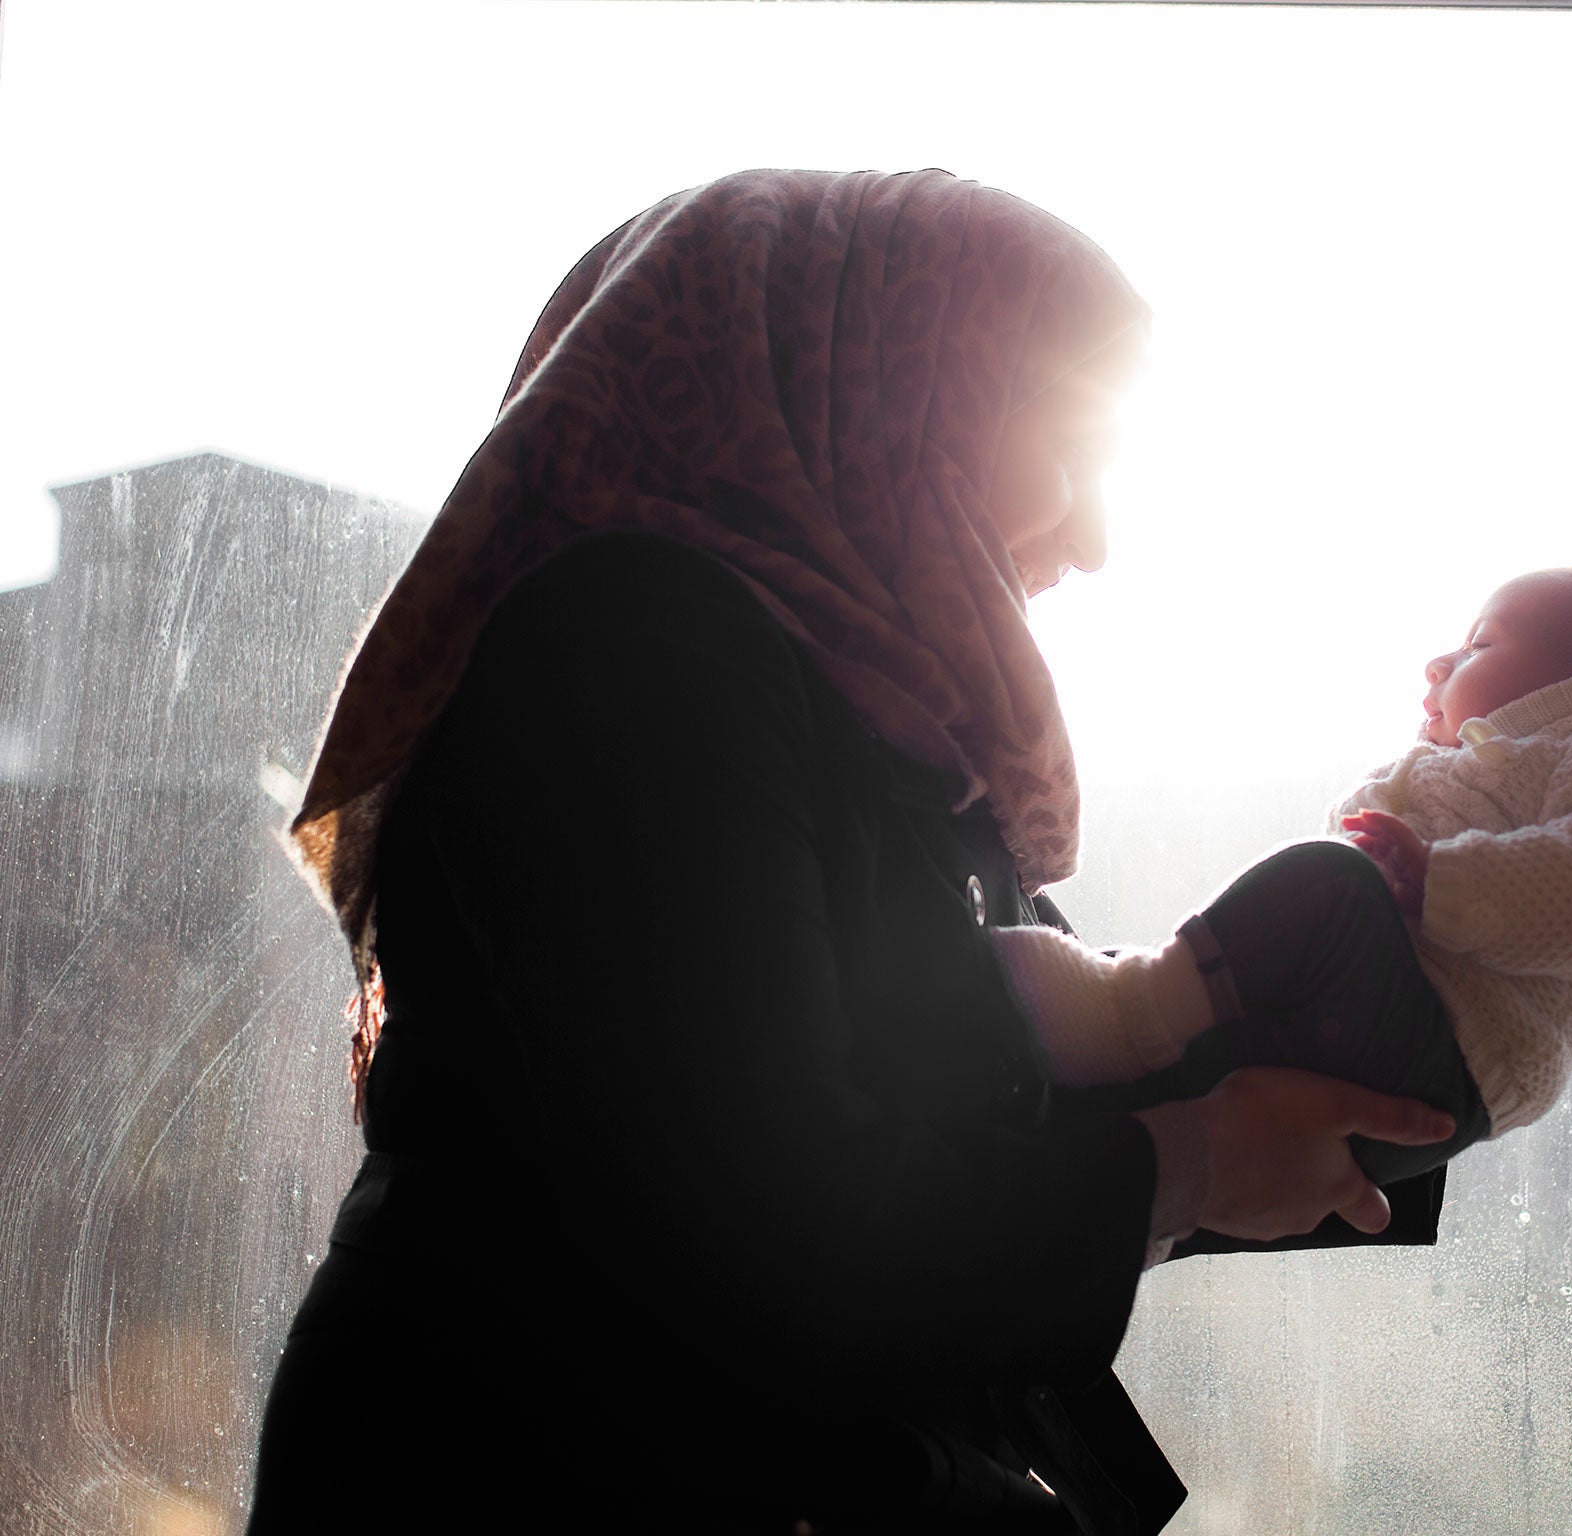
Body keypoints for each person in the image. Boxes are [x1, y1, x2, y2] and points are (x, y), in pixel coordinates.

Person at [249, 167, 1489, 1536]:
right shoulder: (637, 655)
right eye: (1075, 446)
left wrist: (1499, 974)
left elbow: (1123, 1089)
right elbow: (774, 1230)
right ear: (889, 385)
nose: (1096, 535)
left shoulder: (892, 741)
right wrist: (1182, 1162)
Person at [992, 567, 1572, 1191]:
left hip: (1446, 1051)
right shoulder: (1489, 767)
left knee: (1327, 885)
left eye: (1479, 645)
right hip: (1394, 1021)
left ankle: (1125, 1013)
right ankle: (1124, 1083)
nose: (1440, 661)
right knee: (1223, 1038)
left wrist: (1438, 882)